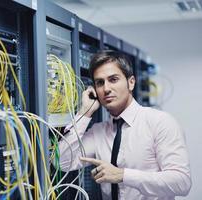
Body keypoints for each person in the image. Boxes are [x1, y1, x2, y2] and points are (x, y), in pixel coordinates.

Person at [58, 51, 191, 200]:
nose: (106, 88)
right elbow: (63, 162)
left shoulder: (160, 122)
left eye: (113, 79)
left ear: (131, 82)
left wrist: (123, 175)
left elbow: (182, 182)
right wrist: (84, 113)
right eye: (100, 83)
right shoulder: (99, 132)